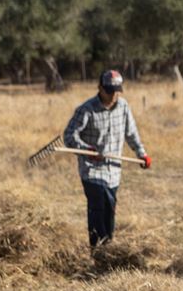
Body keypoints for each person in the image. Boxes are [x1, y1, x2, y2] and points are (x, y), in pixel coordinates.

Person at [63, 70, 151, 247]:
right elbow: (69, 136)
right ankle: (98, 252)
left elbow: (131, 133)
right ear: (100, 88)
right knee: (97, 208)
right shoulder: (86, 109)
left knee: (109, 211)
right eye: (109, 91)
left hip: (113, 170)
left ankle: (109, 248)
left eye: (117, 91)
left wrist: (141, 153)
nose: (113, 95)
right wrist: (87, 150)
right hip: (91, 170)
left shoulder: (123, 107)